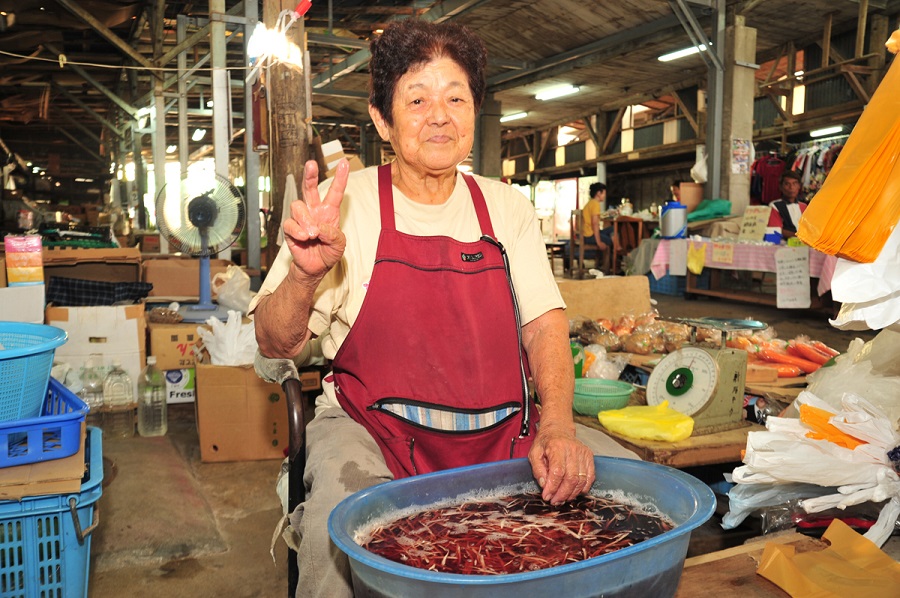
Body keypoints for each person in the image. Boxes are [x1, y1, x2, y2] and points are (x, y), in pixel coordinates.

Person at [250, 19, 636, 598]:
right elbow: (274, 342)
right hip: (371, 431)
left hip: (502, 434)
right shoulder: (342, 207)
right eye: (417, 99)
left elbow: (544, 322)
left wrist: (556, 424)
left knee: (629, 495)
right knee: (338, 523)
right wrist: (305, 273)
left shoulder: (505, 207)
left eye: (456, 97)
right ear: (382, 119)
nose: (439, 115)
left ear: (474, 111)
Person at [579, 182, 616, 268]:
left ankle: (607, 261)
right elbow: (595, 224)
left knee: (613, 229)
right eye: (604, 193)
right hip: (589, 235)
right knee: (610, 241)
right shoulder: (595, 204)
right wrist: (599, 242)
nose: (604, 196)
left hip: (586, 233)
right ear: (599, 193)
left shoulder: (590, 203)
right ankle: (609, 266)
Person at [767, 170, 808, 240]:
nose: (791, 187)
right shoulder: (775, 206)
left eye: (795, 184)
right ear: (781, 187)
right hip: (785, 245)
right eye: (787, 184)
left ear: (799, 186)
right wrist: (799, 237)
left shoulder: (804, 206)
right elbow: (776, 230)